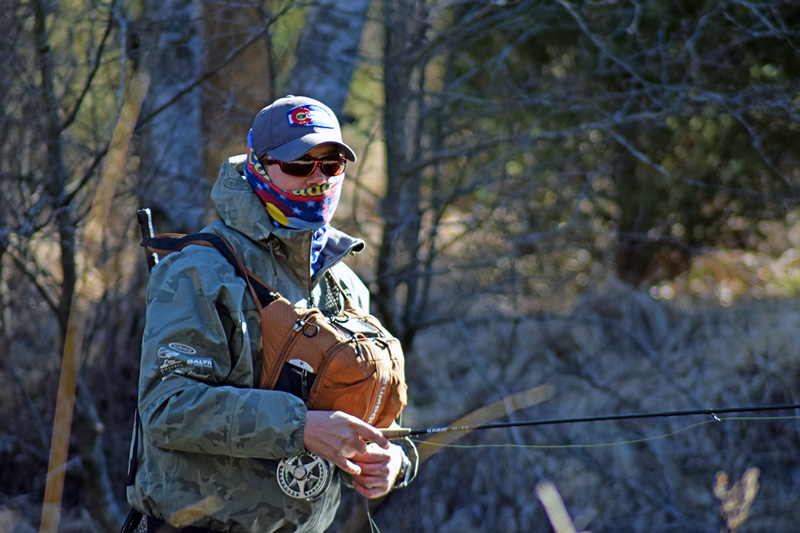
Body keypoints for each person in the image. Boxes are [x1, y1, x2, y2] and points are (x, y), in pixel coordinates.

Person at [126, 95, 417, 532]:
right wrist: (300, 427)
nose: (317, 178)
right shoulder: (200, 270)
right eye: (299, 164)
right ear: (258, 166)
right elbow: (168, 408)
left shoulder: (347, 284)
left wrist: (392, 460)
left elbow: (358, 409)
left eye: (331, 164)